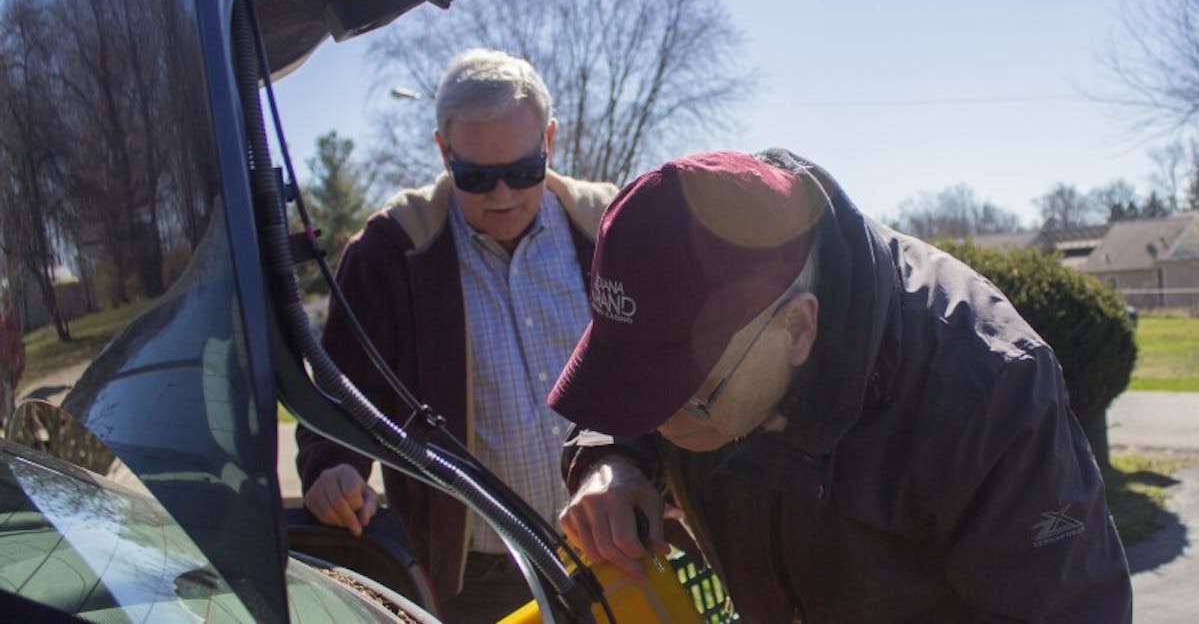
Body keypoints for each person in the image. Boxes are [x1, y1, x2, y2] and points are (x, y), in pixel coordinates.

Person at [547, 149, 1133, 622]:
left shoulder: (987, 390)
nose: (662, 423)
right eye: (639, 391)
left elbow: (1072, 608)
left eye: (689, 395)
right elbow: (628, 392)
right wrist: (612, 457)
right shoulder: (719, 337)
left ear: (798, 327)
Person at [295, 49, 617, 623]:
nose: (502, 195)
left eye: (522, 171)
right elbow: (340, 393)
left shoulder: (607, 226)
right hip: (484, 573)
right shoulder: (391, 254)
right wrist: (329, 468)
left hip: (615, 541)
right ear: (444, 152)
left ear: (550, 140)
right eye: (474, 177)